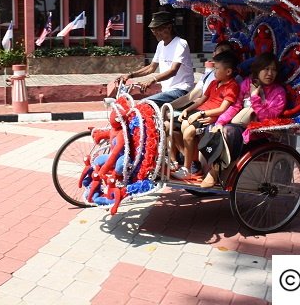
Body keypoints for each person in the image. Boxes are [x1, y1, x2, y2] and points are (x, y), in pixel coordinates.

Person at [202, 52, 286, 188]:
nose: (270, 73)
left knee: (230, 131)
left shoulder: (278, 92)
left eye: (274, 70)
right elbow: (236, 106)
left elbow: (269, 117)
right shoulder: (247, 83)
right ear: (258, 70)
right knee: (215, 128)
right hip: (240, 127)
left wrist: (255, 98)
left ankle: (215, 171)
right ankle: (205, 167)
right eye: (266, 69)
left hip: (259, 133)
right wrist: (220, 122)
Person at [172, 51, 240, 180]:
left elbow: (222, 109)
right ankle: (178, 160)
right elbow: (202, 99)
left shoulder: (232, 87)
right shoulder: (214, 83)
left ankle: (187, 168)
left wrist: (200, 113)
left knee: (188, 133)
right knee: (169, 126)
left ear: (228, 72)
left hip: (206, 116)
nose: (214, 71)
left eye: (217, 69)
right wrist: (188, 109)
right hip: (198, 111)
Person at [119, 11, 194, 107]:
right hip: (167, 91)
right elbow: (151, 67)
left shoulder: (181, 43)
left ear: (169, 28)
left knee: (145, 104)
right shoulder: (160, 45)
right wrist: (130, 75)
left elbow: (173, 70)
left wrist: (153, 79)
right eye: (153, 30)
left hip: (181, 90)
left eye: (158, 29)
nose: (155, 33)